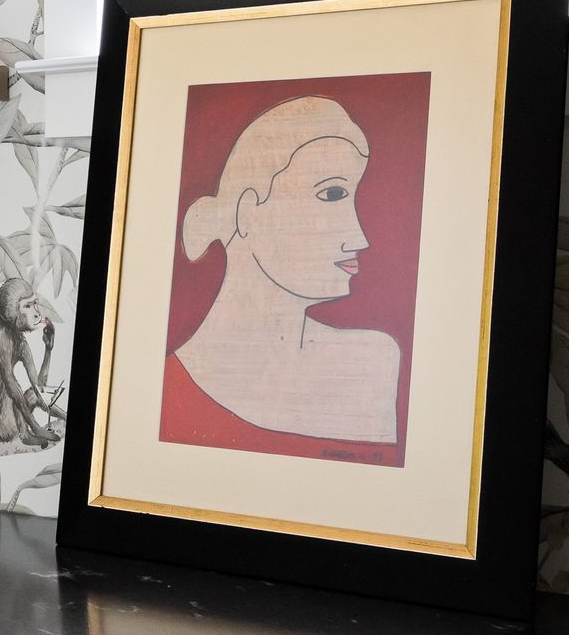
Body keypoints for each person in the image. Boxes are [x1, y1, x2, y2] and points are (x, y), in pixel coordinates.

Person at [164, 94, 401, 454]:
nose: (359, 238)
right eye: (332, 194)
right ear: (247, 213)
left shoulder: (372, 362)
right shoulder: (162, 392)